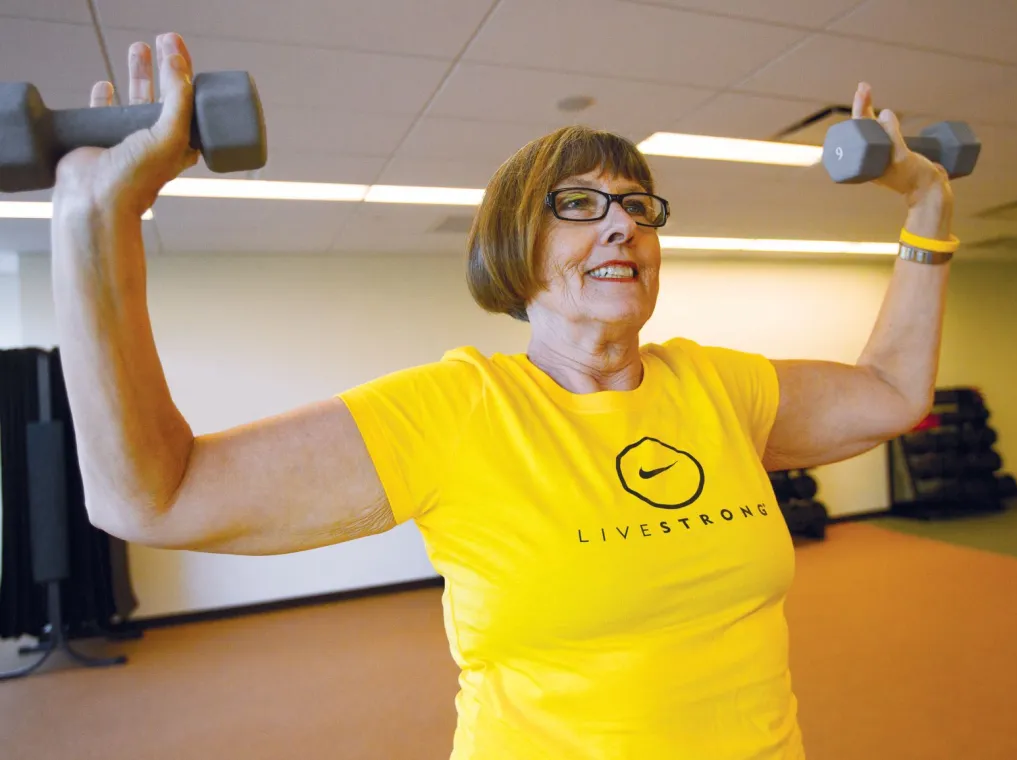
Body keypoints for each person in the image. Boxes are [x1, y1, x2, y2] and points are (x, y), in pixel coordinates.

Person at [52, 32, 956, 760]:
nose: (622, 223)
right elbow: (152, 495)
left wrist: (928, 210)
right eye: (579, 204)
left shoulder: (719, 386)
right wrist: (97, 227)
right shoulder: (457, 411)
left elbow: (889, 391)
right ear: (512, 253)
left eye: (640, 206)